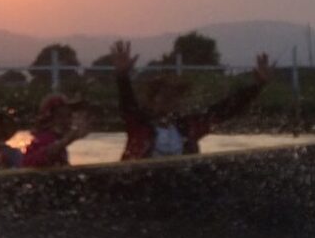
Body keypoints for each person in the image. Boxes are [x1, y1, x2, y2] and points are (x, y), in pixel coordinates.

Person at [110, 40, 272, 159]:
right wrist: (122, 77)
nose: (169, 102)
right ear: (152, 101)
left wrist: (257, 86)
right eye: (164, 97)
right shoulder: (139, 125)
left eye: (174, 97)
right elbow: (127, 104)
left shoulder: (189, 127)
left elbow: (225, 109)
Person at [22, 94, 94, 169]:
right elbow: (30, 163)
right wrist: (67, 140)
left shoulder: (55, 139)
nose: (69, 121)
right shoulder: (44, 138)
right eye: (64, 116)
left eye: (70, 116)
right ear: (52, 119)